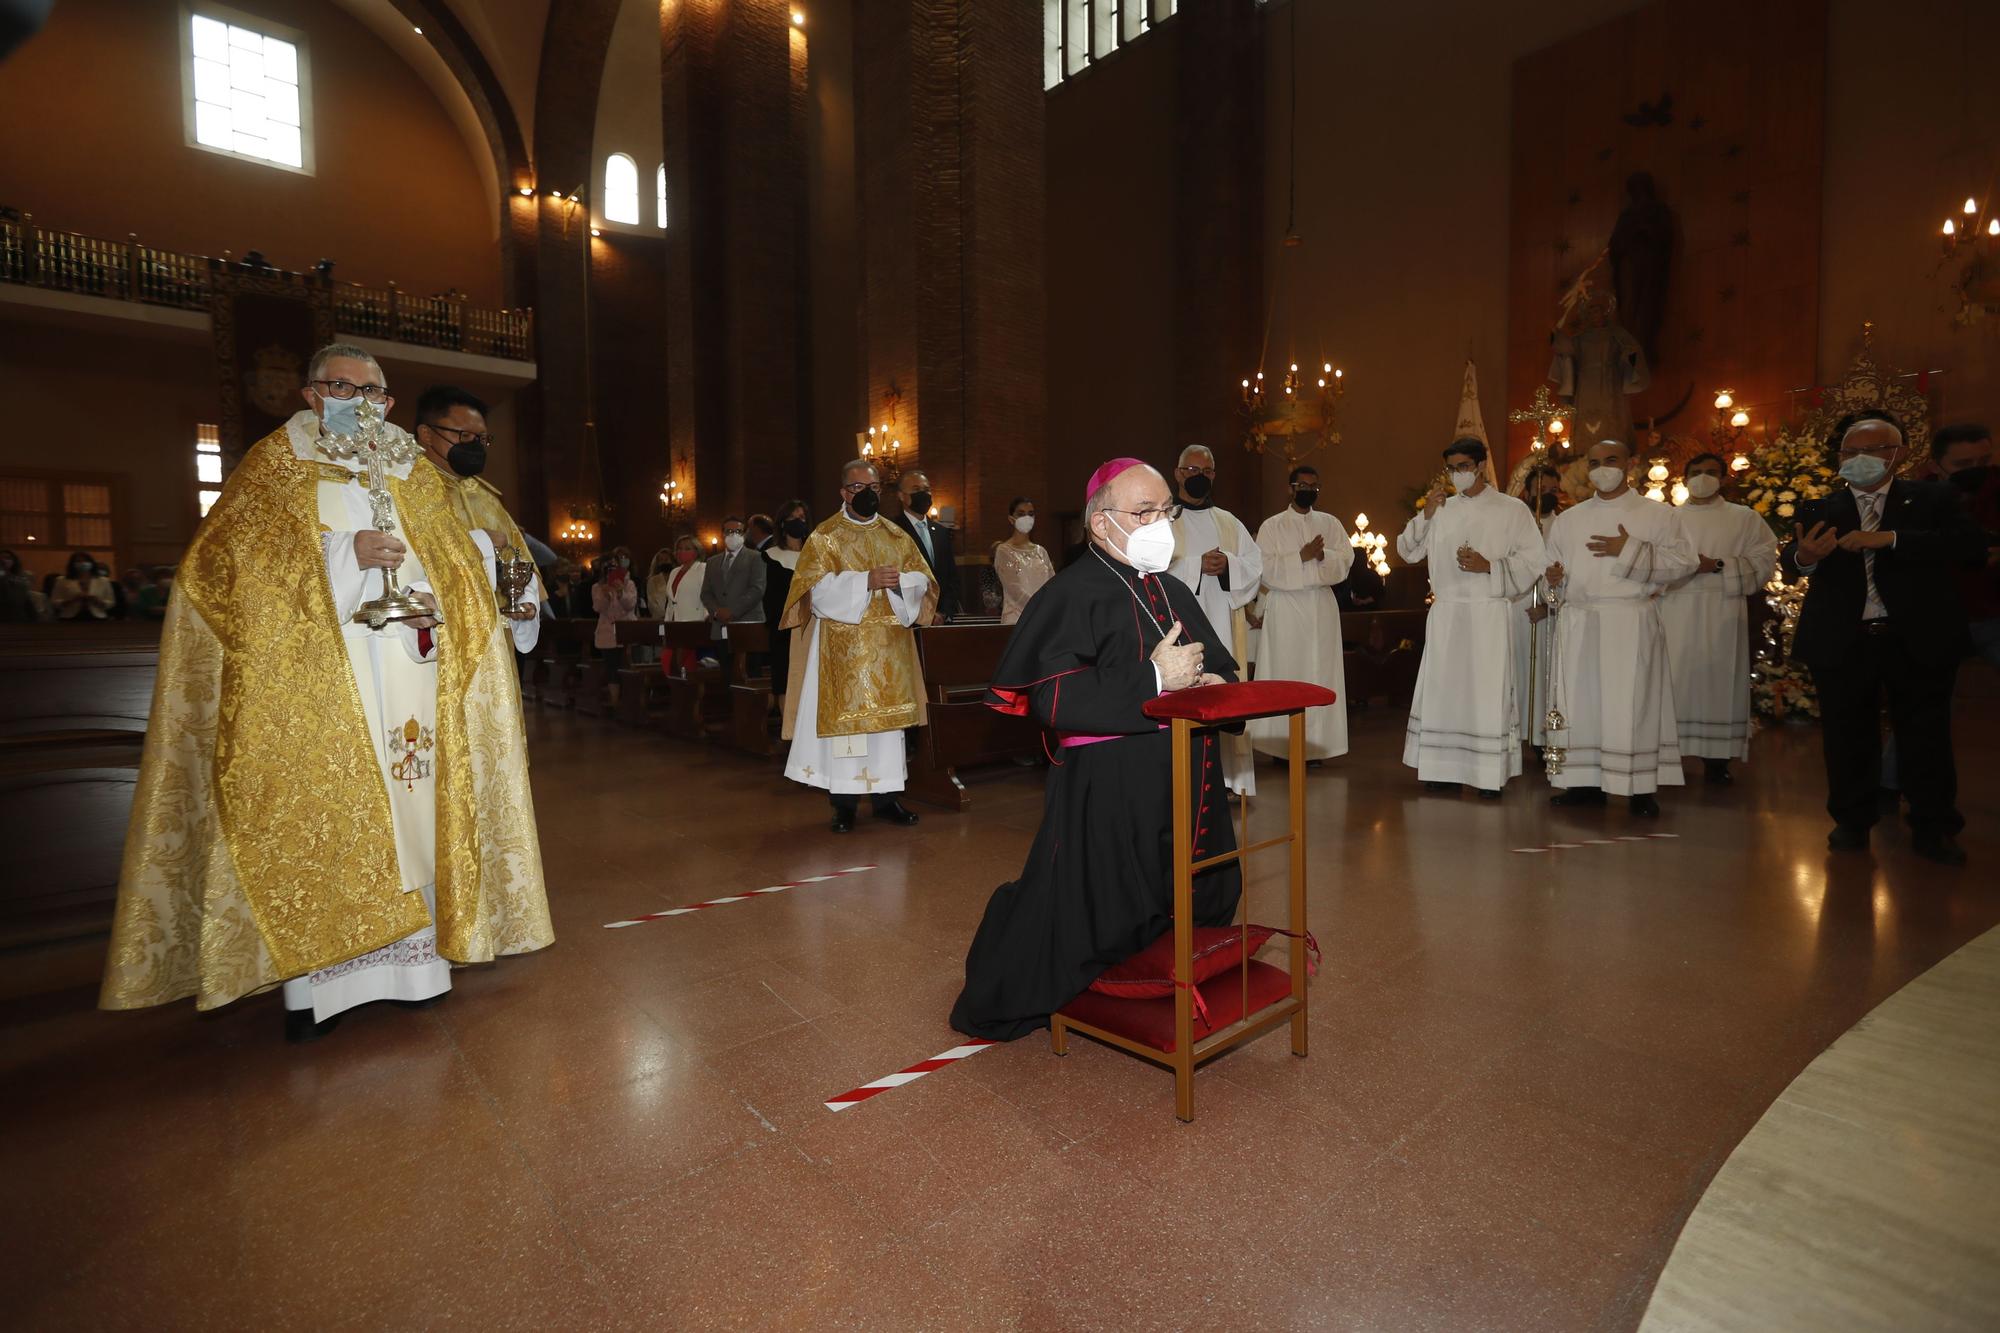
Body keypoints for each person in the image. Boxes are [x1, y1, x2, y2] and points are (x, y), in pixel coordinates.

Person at [99, 341, 551, 1038]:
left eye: (371, 392)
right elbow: (223, 571)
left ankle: (417, 969)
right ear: (311, 394)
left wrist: (442, 598)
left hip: (409, 668)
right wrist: (343, 556)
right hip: (318, 678)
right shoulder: (273, 466)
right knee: (323, 816)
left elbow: (458, 559)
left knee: (417, 813)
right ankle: (320, 989)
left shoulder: (412, 470)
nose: (357, 402)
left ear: (390, 403)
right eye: (340, 387)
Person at [950, 458, 1239, 1041]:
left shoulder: (1174, 588)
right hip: (1111, 788)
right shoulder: (1070, 593)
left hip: (1187, 774)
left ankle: (1157, 972)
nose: (1161, 523)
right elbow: (1052, 702)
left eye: (1166, 511)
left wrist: (1216, 685)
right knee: (1096, 913)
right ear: (1102, 523)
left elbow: (1220, 668)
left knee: (1185, 892)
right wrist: (1153, 681)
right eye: (1145, 512)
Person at [1784, 412, 1983, 865]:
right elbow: (1792, 560)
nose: (1859, 460)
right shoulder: (1821, 506)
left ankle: (1933, 827)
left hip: (1917, 635)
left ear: (1898, 454)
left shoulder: (1933, 497)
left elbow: (1968, 546)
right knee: (1846, 735)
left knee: (1925, 734)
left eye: (1870, 451)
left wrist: (1890, 539)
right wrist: (1804, 556)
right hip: (1844, 638)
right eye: (1850, 453)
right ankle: (1851, 822)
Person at [1542, 437, 1697, 817]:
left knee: (1631, 703)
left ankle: (1639, 787)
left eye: (1611, 460)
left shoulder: (1659, 515)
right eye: (1594, 462)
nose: (1602, 469)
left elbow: (1685, 563)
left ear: (1631, 463)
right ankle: (1582, 782)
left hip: (1630, 620)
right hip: (1579, 620)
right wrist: (1554, 579)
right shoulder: (1569, 519)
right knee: (1583, 703)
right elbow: (1551, 571)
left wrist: (1628, 550)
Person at [780, 461, 934, 832]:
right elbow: (811, 593)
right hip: (842, 649)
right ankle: (843, 805)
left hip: (888, 650)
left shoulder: (896, 536)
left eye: (874, 488)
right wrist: (863, 582)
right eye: (859, 487)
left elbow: (923, 580)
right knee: (848, 731)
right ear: (844, 492)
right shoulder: (825, 537)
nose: (868, 494)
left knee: (886, 730)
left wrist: (900, 585)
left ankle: (887, 799)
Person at [1396, 439, 1547, 796]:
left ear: (1481, 466)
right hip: (1448, 613)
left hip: (1487, 612)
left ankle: (1487, 774)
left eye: (1463, 466)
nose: (1457, 474)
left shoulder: (1511, 510)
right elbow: (1407, 550)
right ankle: (1442, 769)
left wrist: (1490, 567)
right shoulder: (1441, 509)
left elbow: (1534, 560)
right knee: (1444, 692)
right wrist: (1427, 514)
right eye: (1451, 468)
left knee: (1484, 692)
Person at [1659, 452, 1778, 784]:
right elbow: (1653, 557)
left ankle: (1717, 760)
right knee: (1674, 676)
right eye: (1696, 472)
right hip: (1675, 605)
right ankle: (1669, 753)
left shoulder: (1744, 518)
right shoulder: (1667, 518)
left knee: (1719, 677)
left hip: (1723, 607)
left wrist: (1720, 565)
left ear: (1724, 478)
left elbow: (1765, 558)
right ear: (1684, 479)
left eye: (1711, 472)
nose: (1703, 478)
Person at [1166, 444, 1263, 796]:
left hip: (1223, 621)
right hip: (1179, 627)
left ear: (1214, 476)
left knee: (1224, 692)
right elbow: (1151, 570)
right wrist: (1195, 566)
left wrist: (1229, 567)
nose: (1199, 477)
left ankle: (1228, 781)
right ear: (1177, 473)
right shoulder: (1165, 520)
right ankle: (1184, 781)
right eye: (1191, 471)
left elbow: (1254, 566)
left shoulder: (1228, 521)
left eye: (1206, 472)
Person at [1249, 464, 1353, 765]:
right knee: (1287, 672)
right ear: (1291, 488)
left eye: (1314, 487)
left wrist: (1324, 556)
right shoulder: (1272, 526)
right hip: (1286, 607)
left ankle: (1316, 745)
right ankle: (1282, 747)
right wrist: (1301, 557)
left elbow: (1346, 560)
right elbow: (1263, 569)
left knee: (1320, 673)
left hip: (1320, 607)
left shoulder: (1330, 523)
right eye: (1302, 485)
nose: (1308, 491)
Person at [1932, 422, 2000, 667]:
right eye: (1962, 465)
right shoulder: (1918, 497)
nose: (1976, 471)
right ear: (1936, 465)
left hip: (1993, 615)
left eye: (1983, 461)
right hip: (1938, 619)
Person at [1511, 465, 1564, 751]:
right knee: (1517, 674)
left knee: (1546, 679)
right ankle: (1516, 734)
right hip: (1517, 609)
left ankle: (1543, 738)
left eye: (1553, 491)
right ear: (1527, 492)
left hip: (1550, 616)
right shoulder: (1514, 523)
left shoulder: (1565, 526)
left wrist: (1548, 606)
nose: (1547, 496)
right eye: (1541, 491)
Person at [701, 515, 767, 678]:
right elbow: (706, 592)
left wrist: (732, 611)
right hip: (720, 627)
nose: (733, 535)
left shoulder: (756, 557)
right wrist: (717, 611)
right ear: (722, 534)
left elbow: (757, 589)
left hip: (747, 624)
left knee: (750, 674)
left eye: (738, 531)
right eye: (729, 531)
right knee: (726, 674)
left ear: (744, 534)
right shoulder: (712, 562)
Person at [890, 469, 960, 621]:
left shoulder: (941, 532)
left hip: (941, 619)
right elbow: (895, 579)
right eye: (916, 490)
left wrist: (944, 613)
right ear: (901, 495)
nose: (923, 494)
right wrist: (923, 614)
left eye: (926, 490)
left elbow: (951, 578)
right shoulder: (892, 530)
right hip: (909, 620)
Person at [763, 499, 811, 720]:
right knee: (784, 679)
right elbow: (769, 597)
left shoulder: (814, 555)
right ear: (783, 524)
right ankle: (788, 729)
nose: (798, 522)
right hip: (782, 628)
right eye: (793, 518)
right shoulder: (770, 556)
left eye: (802, 518)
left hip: (811, 626)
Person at [993, 495, 1055, 625]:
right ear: (1011, 519)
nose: (1027, 517)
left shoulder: (1041, 551)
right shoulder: (1004, 550)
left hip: (1044, 618)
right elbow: (1014, 591)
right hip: (1017, 619)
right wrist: (1040, 609)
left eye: (1030, 514)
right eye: (1021, 514)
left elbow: (1052, 585)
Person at [651, 535, 707, 675]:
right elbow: (671, 601)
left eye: (687, 548)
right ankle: (684, 693)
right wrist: (667, 623)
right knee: (677, 662)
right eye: (679, 549)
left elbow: (709, 595)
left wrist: (705, 616)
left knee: (675, 660)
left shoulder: (703, 569)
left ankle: (685, 691)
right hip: (674, 624)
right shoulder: (675, 571)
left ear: (696, 551)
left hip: (693, 622)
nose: (682, 552)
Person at [591, 546, 639, 669]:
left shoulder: (629, 584)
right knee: (612, 671)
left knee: (628, 668)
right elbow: (597, 608)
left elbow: (630, 604)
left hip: (626, 630)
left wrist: (620, 593)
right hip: (607, 632)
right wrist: (605, 595)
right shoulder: (597, 587)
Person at [52, 551, 116, 621]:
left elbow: (111, 601)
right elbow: (55, 601)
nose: (82, 563)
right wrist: (71, 600)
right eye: (78, 561)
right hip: (70, 618)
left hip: (97, 617)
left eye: (86, 561)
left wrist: (97, 601)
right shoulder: (62, 580)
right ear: (72, 564)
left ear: (91, 563)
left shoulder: (103, 581)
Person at [0, 548, 36, 622]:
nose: (3, 561)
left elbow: (27, 604)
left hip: (18, 622)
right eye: (1, 558)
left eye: (7, 558)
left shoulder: (21, 583)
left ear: (14, 561)